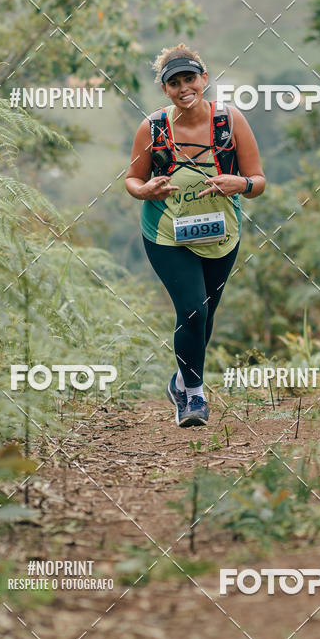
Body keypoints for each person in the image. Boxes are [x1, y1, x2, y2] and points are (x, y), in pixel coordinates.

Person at [125, 43, 266, 427]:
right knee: (192, 310)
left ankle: (179, 381)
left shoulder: (230, 122)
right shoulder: (152, 128)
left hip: (220, 233)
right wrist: (146, 190)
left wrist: (240, 183)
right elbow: (132, 180)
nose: (184, 87)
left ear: (204, 79)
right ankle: (194, 397)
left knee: (204, 318)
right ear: (165, 90)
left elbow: (258, 182)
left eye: (190, 78)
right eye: (175, 83)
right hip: (167, 233)